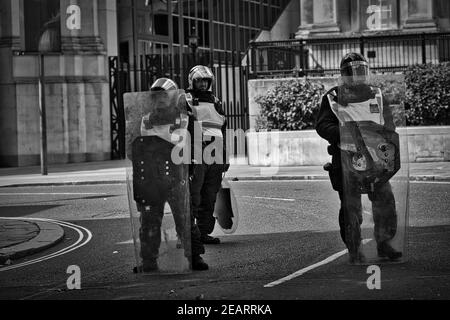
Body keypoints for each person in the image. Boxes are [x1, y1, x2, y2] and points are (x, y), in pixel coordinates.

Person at [315, 52, 403, 264]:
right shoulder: (333, 96)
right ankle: (354, 249)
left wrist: (385, 137)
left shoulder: (377, 94)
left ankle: (384, 243)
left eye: (362, 70)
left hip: (376, 160)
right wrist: (343, 133)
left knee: (385, 202)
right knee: (350, 207)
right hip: (346, 160)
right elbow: (322, 125)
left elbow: (388, 123)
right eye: (353, 71)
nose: (358, 75)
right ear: (344, 74)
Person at [132, 78, 208, 272]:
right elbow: (133, 147)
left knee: (185, 218)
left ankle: (194, 257)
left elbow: (197, 147)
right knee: (148, 221)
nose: (160, 99)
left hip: (177, 176)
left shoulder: (186, 118)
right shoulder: (145, 119)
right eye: (156, 96)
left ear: (173, 96)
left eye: (164, 95)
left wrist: (192, 172)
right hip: (151, 178)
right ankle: (148, 261)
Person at [186, 66, 230, 245]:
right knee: (193, 196)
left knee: (210, 195)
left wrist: (226, 157)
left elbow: (223, 129)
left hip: (216, 154)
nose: (203, 84)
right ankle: (189, 234)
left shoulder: (215, 101)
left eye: (206, 81)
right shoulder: (186, 99)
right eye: (199, 81)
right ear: (192, 81)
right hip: (197, 154)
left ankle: (203, 232)